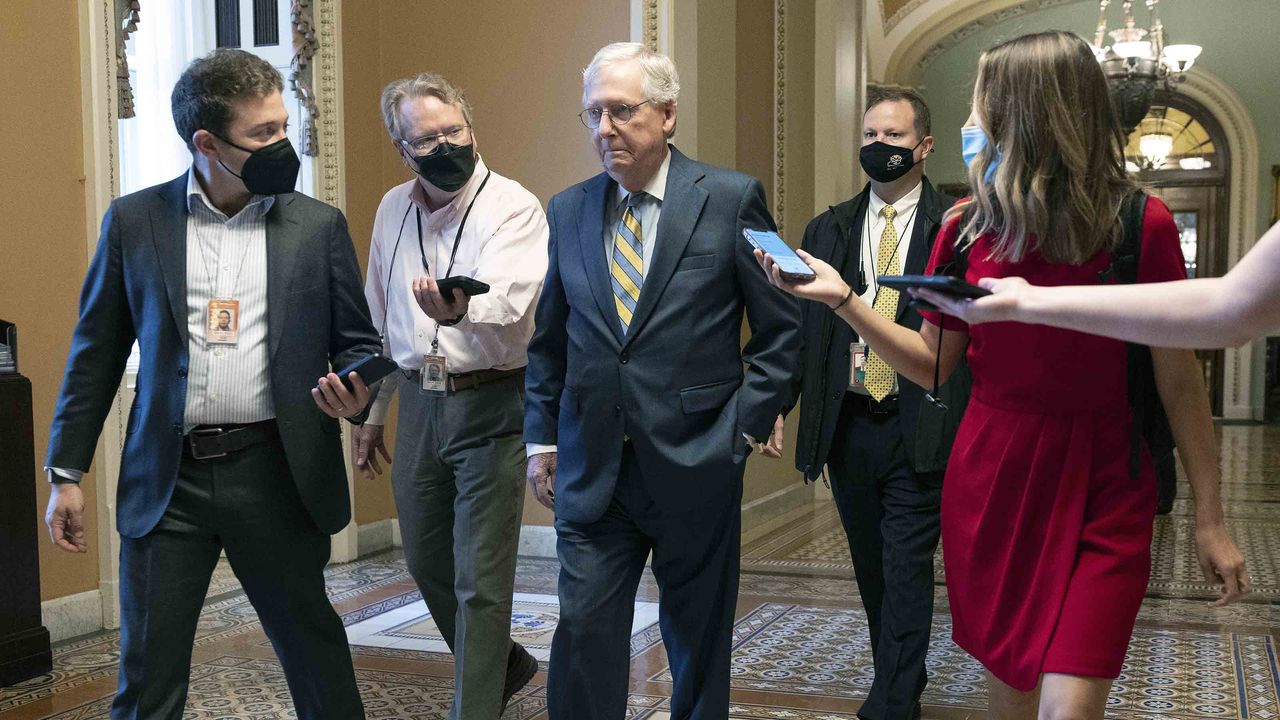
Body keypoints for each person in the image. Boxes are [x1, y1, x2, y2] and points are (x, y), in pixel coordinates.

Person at [755, 31, 1248, 719]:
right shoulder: (965, 227)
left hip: (1108, 481)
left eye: (979, 102)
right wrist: (843, 299)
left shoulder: (1142, 223)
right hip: (994, 480)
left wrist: (1211, 519)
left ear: (1027, 112)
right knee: (1012, 702)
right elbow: (931, 365)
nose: (968, 123)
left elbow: (1179, 381)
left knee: (1067, 709)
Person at [42, 49, 379, 719]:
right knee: (148, 676)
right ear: (207, 143)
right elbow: (94, 354)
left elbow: (360, 345)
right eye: (263, 135)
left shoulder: (317, 228)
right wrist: (65, 472)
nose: (283, 145)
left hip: (279, 474)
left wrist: (357, 390)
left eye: (283, 126)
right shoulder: (134, 223)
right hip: (170, 484)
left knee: (318, 661)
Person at [523, 42, 800, 720]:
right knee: (585, 631)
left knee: (697, 639)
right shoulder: (567, 210)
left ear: (669, 114)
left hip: (696, 459)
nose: (604, 129)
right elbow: (550, 338)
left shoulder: (733, 199)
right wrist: (539, 439)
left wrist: (743, 426)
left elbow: (783, 329)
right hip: (594, 468)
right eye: (593, 113)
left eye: (622, 110)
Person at [353, 72, 547, 719]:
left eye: (453, 132)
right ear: (403, 150)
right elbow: (382, 318)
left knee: (480, 584)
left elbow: (515, 299)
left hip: (493, 404)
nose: (444, 146)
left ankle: (475, 709)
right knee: (424, 557)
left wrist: (460, 309)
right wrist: (374, 413)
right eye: (426, 139)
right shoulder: (390, 210)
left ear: (471, 127)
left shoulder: (513, 206)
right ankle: (509, 665)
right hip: (417, 401)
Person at [770, 85, 963, 720]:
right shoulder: (827, 228)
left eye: (895, 138)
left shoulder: (956, 224)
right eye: (871, 137)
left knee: (907, 564)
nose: (879, 148)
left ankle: (892, 699)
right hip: (849, 424)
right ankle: (900, 671)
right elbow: (803, 334)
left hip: (921, 424)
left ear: (925, 146)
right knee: (872, 565)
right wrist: (779, 401)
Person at [912, 219, 1280, 349]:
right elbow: (1228, 308)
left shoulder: (1142, 220)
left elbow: (1229, 310)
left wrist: (1025, 301)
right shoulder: (965, 224)